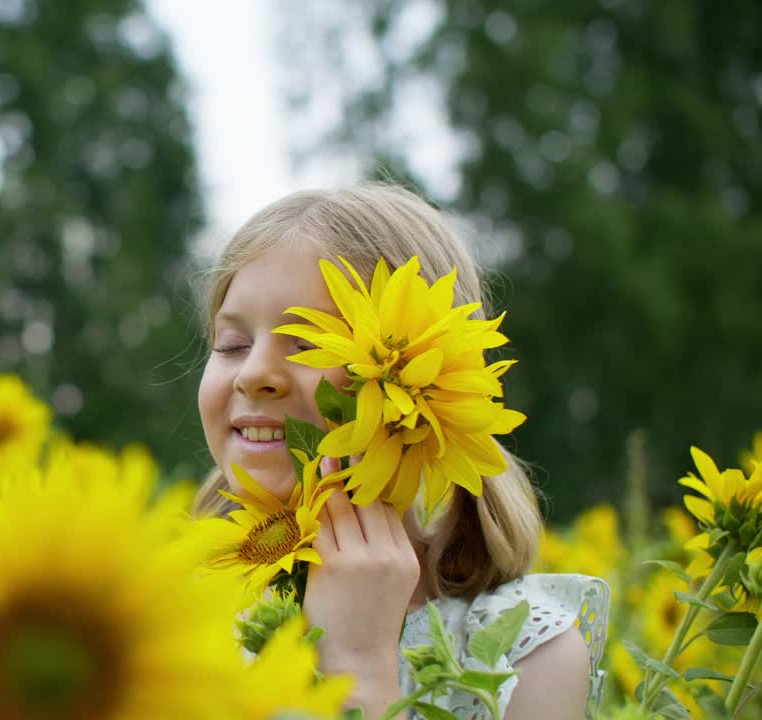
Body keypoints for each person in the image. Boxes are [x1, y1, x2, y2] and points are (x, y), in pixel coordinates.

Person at [192, 184, 610, 719]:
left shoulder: (520, 655)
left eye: (309, 342)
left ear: (424, 381)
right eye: (231, 345)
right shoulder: (178, 610)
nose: (253, 374)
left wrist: (360, 669)